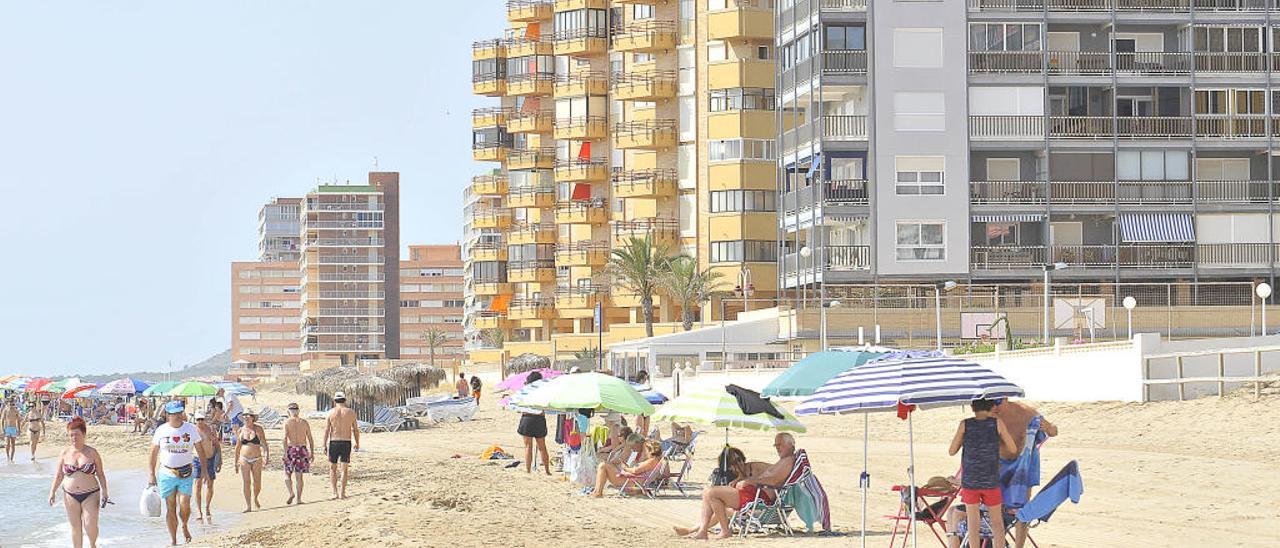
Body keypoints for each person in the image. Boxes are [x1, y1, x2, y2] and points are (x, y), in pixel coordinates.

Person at [674, 433, 798, 540]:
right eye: (776, 445)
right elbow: (769, 477)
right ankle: (699, 530)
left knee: (711, 493)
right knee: (712, 497)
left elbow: (775, 480)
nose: (777, 448)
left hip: (760, 500)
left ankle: (723, 531)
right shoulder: (783, 461)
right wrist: (742, 480)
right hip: (753, 497)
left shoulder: (783, 462)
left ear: (790, 444)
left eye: (779, 444)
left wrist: (749, 481)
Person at [948, 399, 1018, 548]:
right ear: (992, 406)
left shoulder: (964, 424)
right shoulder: (997, 423)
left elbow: (951, 451)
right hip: (991, 481)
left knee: (973, 523)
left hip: (970, 482)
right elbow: (1012, 449)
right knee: (997, 522)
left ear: (972, 406)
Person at [992, 399, 1059, 548]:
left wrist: (1048, 427)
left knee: (1022, 509)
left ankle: (1019, 546)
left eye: (997, 402)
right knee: (998, 510)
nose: (994, 406)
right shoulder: (991, 415)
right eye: (990, 402)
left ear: (1006, 399)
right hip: (1000, 469)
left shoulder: (1027, 413)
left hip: (1024, 468)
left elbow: (1054, 431)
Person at [149, 400, 207, 546]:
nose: (177, 416)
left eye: (179, 413)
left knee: (184, 504)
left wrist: (204, 470)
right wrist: (151, 473)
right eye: (173, 414)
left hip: (186, 472)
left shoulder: (191, 428)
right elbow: (153, 453)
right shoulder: (161, 430)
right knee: (170, 507)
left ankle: (185, 525)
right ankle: (173, 539)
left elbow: (200, 450)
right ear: (167, 414)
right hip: (166, 473)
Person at [48, 417, 110, 548]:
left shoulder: (92, 452)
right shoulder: (65, 453)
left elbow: (100, 473)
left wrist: (105, 491)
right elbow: (59, 475)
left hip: (91, 493)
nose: (73, 438)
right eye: (71, 435)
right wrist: (52, 492)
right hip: (70, 494)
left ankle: (93, 545)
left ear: (84, 434)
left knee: (90, 525)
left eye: (76, 434)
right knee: (75, 527)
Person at [591, 439, 664, 497]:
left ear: (650, 450)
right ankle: (596, 491)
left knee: (603, 465)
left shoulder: (651, 461)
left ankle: (598, 492)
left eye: (645, 449)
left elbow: (635, 471)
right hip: (632, 480)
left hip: (630, 482)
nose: (644, 452)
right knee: (605, 465)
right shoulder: (656, 460)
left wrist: (625, 467)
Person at [323, 391, 360, 500]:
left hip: (334, 442)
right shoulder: (351, 413)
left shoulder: (330, 413)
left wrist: (324, 444)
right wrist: (357, 442)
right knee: (344, 469)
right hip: (346, 442)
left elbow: (326, 430)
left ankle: (335, 493)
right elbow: (355, 430)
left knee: (332, 468)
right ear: (345, 400)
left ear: (334, 401)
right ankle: (342, 493)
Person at [233, 411, 269, 512]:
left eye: (248, 415)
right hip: (244, 458)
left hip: (257, 458)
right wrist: (235, 461)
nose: (246, 417)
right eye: (244, 416)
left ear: (252, 418)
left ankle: (256, 497)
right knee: (246, 482)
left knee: (257, 483)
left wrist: (266, 455)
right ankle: (248, 506)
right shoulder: (240, 430)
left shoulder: (258, 429)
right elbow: (237, 447)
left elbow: (264, 443)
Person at [516, 371, 550, 475]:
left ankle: (528, 470)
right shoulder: (543, 392)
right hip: (539, 419)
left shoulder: (524, 392)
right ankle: (547, 470)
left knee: (528, 447)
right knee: (542, 447)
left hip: (527, 418)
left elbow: (518, 407)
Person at [282, 402, 315, 505]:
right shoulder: (304, 422)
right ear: (298, 411)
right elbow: (310, 438)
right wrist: (312, 452)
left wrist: (284, 453)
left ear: (288, 411)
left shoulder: (287, 422)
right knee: (299, 476)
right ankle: (299, 499)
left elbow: (284, 438)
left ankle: (291, 493)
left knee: (287, 474)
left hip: (291, 448)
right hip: (302, 449)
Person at [191, 411, 221, 521]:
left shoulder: (210, 430)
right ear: (195, 420)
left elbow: (217, 445)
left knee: (210, 484)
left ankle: (207, 507)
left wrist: (219, 460)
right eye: (198, 419)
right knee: (197, 485)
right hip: (197, 460)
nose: (200, 421)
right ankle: (199, 511)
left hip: (210, 459)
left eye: (202, 419)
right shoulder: (193, 431)